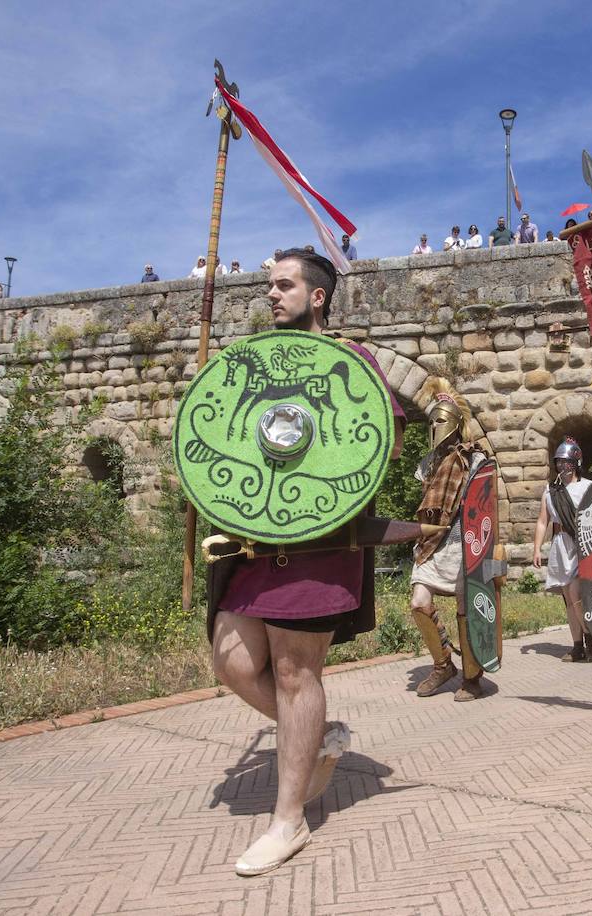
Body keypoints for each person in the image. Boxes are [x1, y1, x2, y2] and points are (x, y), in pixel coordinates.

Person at [208, 249, 405, 876]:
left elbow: (386, 441)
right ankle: (319, 736)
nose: (271, 294)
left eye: (284, 285)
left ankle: (288, 820)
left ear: (317, 296)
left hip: (320, 537)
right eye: (270, 285)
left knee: (295, 673)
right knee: (231, 660)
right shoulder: (259, 361)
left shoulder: (355, 361)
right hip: (253, 536)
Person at [407, 378, 491, 701]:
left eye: (440, 420)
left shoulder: (474, 462)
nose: (434, 427)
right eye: (431, 421)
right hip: (432, 545)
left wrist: (486, 550)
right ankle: (443, 664)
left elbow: (484, 509)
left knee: (465, 609)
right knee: (418, 602)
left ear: (455, 425)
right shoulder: (427, 465)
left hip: (464, 547)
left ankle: (472, 677)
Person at [533, 438, 592, 663]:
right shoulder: (551, 491)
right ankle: (577, 646)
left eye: (566, 462)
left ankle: (591, 639)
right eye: (559, 462)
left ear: (576, 462)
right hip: (560, 545)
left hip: (582, 544)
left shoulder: (588, 487)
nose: (562, 466)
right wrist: (536, 548)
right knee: (569, 601)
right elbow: (543, 521)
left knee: (575, 595)